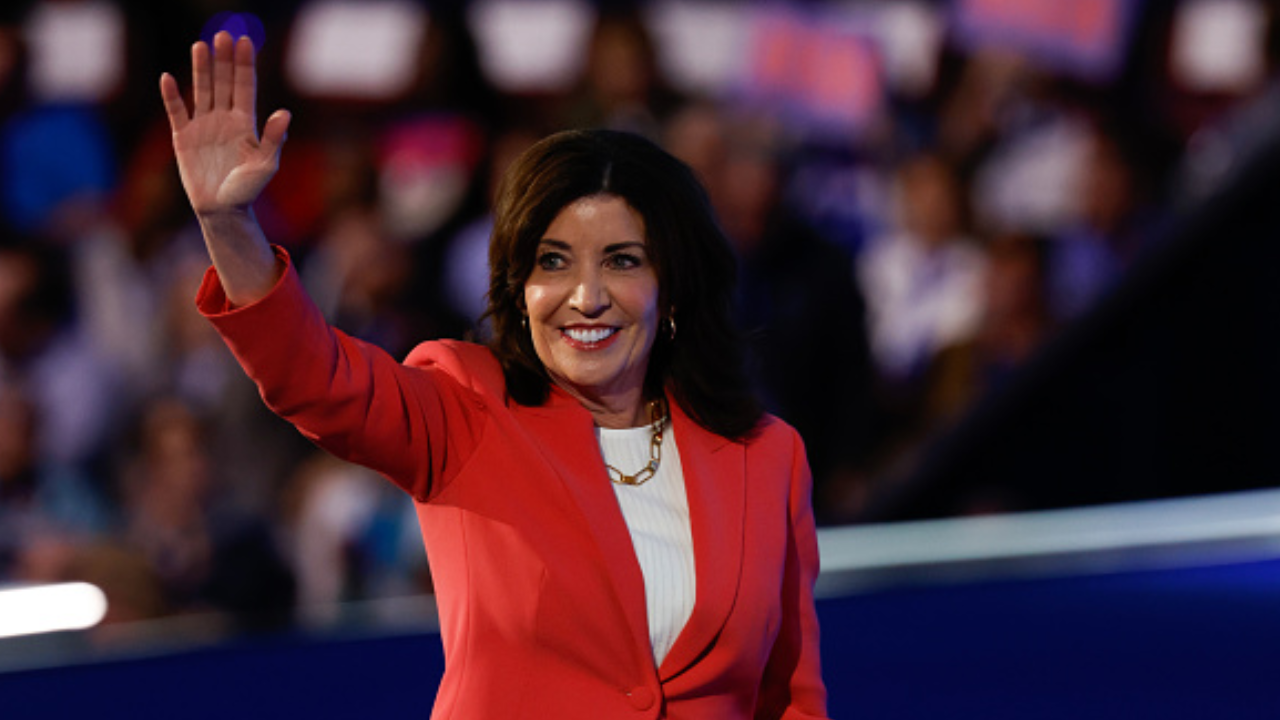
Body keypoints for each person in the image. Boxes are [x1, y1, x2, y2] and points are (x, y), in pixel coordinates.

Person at [160, 32, 827, 719]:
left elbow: (791, 700)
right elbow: (313, 377)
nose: (586, 295)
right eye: (553, 261)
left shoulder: (768, 457)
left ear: (675, 285)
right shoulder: (465, 407)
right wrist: (228, 224)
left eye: (623, 261)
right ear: (518, 289)